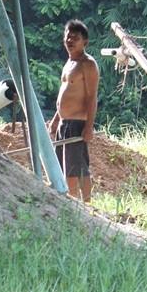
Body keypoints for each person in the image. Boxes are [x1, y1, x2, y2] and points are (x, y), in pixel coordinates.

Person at [48, 20, 99, 202]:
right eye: (67, 36)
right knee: (64, 165)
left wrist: (89, 127)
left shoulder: (88, 64)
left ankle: (83, 203)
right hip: (64, 122)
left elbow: (92, 98)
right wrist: (56, 120)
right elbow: (64, 94)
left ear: (84, 42)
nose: (69, 40)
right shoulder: (69, 63)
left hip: (77, 123)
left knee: (75, 168)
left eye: (75, 38)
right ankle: (74, 201)